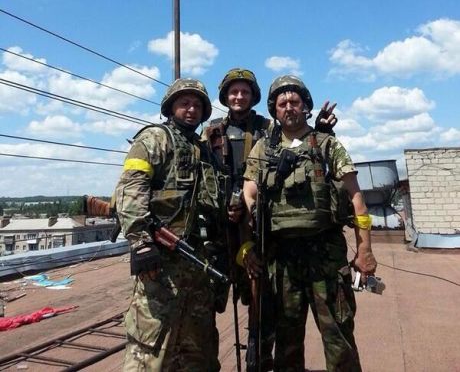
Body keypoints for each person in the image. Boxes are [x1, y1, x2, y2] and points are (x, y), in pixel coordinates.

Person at [205, 68, 338, 372]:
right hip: (222, 227)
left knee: (263, 305)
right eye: (233, 92)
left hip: (260, 222)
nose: (239, 97)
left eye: (245, 92)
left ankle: (260, 362)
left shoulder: (269, 128)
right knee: (208, 301)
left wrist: (319, 132)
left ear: (253, 97)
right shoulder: (211, 132)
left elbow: (300, 145)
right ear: (225, 96)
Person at [242, 75, 377, 372]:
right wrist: (251, 234)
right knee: (287, 343)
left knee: (339, 338)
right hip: (282, 259)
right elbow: (248, 193)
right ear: (274, 110)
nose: (289, 107)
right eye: (282, 103)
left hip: (325, 255)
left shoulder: (327, 145)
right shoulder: (263, 149)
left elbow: (356, 198)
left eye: (295, 101)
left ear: (306, 106)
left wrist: (365, 250)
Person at [115, 78, 226, 372]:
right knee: (150, 350)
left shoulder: (204, 150)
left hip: (198, 265)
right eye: (184, 103)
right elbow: (131, 189)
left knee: (198, 352)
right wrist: (140, 243)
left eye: (197, 105)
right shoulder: (154, 139)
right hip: (161, 265)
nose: (191, 109)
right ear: (170, 107)